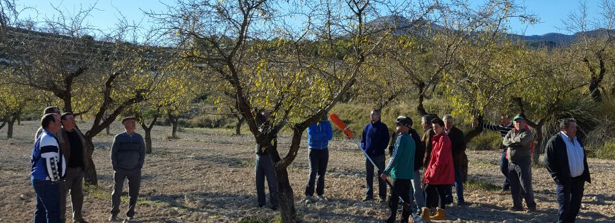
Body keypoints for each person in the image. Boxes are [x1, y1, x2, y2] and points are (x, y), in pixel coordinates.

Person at [544, 118, 591, 223]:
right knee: (564, 209)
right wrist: (557, 178)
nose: (575, 129)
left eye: (576, 127)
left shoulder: (577, 139)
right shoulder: (555, 141)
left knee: (575, 207)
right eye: (573, 127)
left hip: (579, 180)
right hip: (564, 181)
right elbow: (548, 161)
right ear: (564, 128)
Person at [31, 113, 66, 223]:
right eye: (58, 121)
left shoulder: (45, 136)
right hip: (46, 182)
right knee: (54, 213)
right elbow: (50, 163)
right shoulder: (48, 139)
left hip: (41, 180)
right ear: (51, 123)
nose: (61, 124)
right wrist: (55, 180)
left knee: (41, 211)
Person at [110, 117, 146, 222]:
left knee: (134, 193)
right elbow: (113, 153)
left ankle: (130, 214)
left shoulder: (139, 138)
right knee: (117, 192)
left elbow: (142, 153)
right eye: (132, 122)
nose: (134, 124)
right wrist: (115, 166)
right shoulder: (119, 138)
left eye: (134, 122)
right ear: (126, 125)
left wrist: (139, 165)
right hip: (120, 169)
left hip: (135, 169)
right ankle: (114, 214)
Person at [381, 116, 416, 223]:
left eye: (399, 124)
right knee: (406, 199)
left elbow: (395, 156)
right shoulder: (411, 140)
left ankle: (392, 217)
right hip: (408, 175)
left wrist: (386, 171)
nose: (397, 126)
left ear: (406, 127)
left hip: (399, 174)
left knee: (394, 198)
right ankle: (404, 219)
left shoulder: (401, 138)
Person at [389, 115, 426, 215]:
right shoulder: (396, 134)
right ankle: (406, 208)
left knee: (416, 189)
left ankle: (421, 208)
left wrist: (416, 165)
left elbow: (419, 151)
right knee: (405, 192)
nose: (397, 126)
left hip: (412, 167)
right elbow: (392, 148)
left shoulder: (413, 136)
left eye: (399, 124)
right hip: (399, 169)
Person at [58, 113, 89, 223]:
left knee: (78, 195)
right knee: (62, 197)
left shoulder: (76, 132)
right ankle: (61, 219)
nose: (73, 120)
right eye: (70, 119)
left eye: (73, 118)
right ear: (63, 121)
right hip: (66, 171)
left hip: (79, 169)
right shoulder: (60, 134)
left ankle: (77, 218)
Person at [421, 118, 454, 221]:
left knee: (428, 189)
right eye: (433, 127)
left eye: (436, 127)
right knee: (441, 191)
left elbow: (441, 159)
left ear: (442, 127)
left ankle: (426, 213)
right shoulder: (439, 138)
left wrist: (432, 171)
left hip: (439, 171)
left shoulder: (443, 139)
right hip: (439, 170)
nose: (434, 129)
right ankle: (441, 212)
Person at [503, 114, 536, 212]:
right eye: (516, 121)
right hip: (511, 162)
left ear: (524, 123)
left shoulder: (528, 133)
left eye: (520, 121)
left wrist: (512, 142)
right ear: (513, 123)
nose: (518, 123)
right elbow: (505, 142)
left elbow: (523, 142)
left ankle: (531, 205)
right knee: (514, 186)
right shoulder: (510, 132)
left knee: (525, 185)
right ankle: (517, 205)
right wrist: (515, 141)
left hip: (523, 162)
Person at [473, 114, 514, 191]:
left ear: (509, 119)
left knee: (510, 168)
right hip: (505, 150)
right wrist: (479, 124)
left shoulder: (514, 127)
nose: (502, 120)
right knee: (503, 167)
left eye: (503, 119)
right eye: (501, 119)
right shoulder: (501, 126)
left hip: (513, 151)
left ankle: (507, 185)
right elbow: (491, 127)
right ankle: (511, 182)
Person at [361, 109, 390, 202]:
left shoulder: (383, 127)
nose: (372, 116)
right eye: (371, 114)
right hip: (368, 155)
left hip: (379, 155)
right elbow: (363, 139)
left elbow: (386, 140)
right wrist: (364, 148)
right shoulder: (367, 127)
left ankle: (382, 195)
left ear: (378, 115)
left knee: (381, 175)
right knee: (369, 175)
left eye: (373, 114)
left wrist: (380, 148)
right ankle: (369, 194)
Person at [304, 113, 333, 202]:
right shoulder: (311, 123)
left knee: (322, 173)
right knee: (313, 172)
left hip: (324, 149)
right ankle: (309, 194)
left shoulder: (327, 123)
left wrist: (320, 135)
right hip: (313, 149)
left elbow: (330, 136)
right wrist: (323, 135)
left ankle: (320, 193)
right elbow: (312, 137)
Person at [254, 111, 279, 209]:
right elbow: (256, 116)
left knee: (272, 181)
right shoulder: (259, 125)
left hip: (268, 157)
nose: (264, 115)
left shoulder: (271, 128)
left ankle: (274, 203)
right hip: (258, 156)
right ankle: (261, 202)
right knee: (259, 181)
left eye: (267, 114)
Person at [443, 115, 467, 205]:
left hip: (455, 160)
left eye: (450, 122)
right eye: (447, 122)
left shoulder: (458, 133)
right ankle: (448, 198)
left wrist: (453, 154)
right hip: (444, 161)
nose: (448, 124)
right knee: (447, 180)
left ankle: (460, 199)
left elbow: (462, 146)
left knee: (458, 180)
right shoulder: (441, 133)